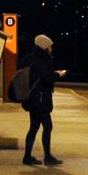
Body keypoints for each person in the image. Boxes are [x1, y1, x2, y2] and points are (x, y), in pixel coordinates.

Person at [21, 34, 63, 166]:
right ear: (44, 46)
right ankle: (47, 156)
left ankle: (28, 156)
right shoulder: (42, 60)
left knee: (34, 127)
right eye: (50, 46)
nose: (51, 48)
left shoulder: (29, 58)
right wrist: (58, 74)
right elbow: (47, 78)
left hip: (32, 98)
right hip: (40, 99)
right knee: (47, 126)